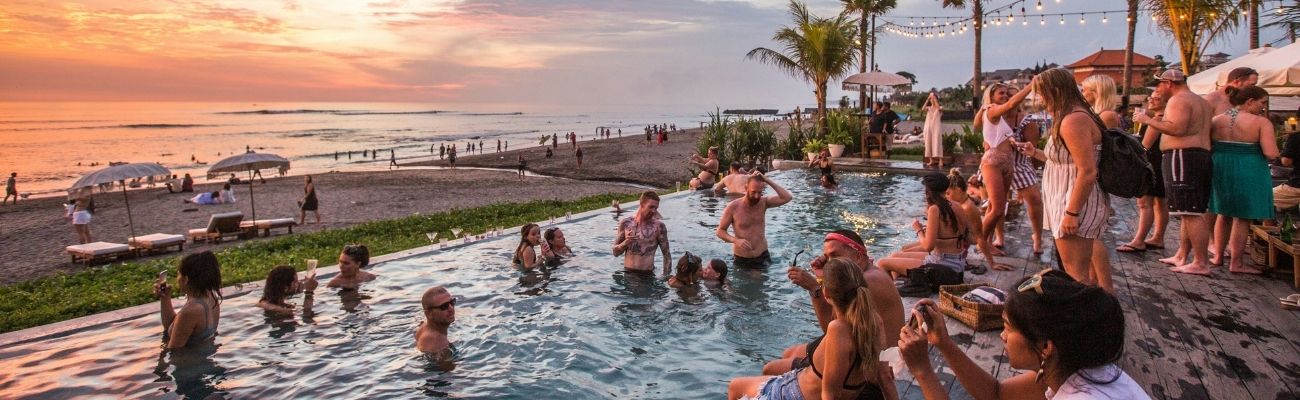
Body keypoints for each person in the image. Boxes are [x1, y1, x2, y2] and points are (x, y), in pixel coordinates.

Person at [898, 269, 1149, 400]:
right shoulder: (1076, 366)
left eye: (1008, 327)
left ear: (1046, 346)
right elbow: (997, 394)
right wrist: (943, 343)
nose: (1002, 337)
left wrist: (922, 370)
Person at [729, 257, 892, 400]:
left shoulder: (838, 329)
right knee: (771, 367)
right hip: (799, 381)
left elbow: (829, 394)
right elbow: (885, 376)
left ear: (826, 293)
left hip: (793, 393)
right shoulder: (874, 322)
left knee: (735, 387)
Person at [1014, 68, 1110, 290]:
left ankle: (1086, 319)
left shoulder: (1073, 121)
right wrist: (1035, 152)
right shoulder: (1071, 116)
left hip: (1075, 202)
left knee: (1076, 273)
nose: (1039, 100)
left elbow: (1087, 171)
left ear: (1055, 91)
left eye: (1042, 93)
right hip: (1066, 199)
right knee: (1075, 270)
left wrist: (1071, 213)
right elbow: (1065, 160)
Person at [770, 230, 905, 375]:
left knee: (772, 368)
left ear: (858, 257)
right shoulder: (869, 273)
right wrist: (824, 277)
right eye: (827, 258)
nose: (830, 263)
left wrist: (814, 288)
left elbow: (831, 327)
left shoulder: (866, 282)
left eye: (835, 256)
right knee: (789, 352)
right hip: (870, 352)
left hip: (875, 364)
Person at [1133, 69, 1215, 276]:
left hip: (1183, 156)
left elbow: (1177, 128)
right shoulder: (1201, 101)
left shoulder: (1178, 100)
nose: (1158, 90)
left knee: (1190, 211)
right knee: (1188, 210)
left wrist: (1147, 120)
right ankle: (1182, 255)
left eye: (1159, 85)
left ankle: (1200, 261)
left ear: (1169, 83)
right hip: (1199, 156)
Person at [1207, 86, 1278, 275]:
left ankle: (1217, 256)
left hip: (1220, 166)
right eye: (1262, 103)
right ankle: (1236, 262)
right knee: (1243, 216)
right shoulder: (1261, 122)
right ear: (1249, 101)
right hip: (1249, 167)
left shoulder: (1216, 120)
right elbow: (1271, 153)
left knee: (1223, 213)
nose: (1263, 107)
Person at [877, 173, 975, 279]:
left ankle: (892, 294)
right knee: (894, 256)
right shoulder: (957, 205)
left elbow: (928, 246)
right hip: (956, 264)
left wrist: (918, 229)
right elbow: (970, 238)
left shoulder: (935, 209)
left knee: (882, 263)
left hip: (944, 268)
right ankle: (904, 287)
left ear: (928, 191)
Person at [974, 83, 1034, 252]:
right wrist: (1030, 86)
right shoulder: (992, 110)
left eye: (1007, 93)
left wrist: (1016, 143)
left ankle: (988, 241)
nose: (1006, 96)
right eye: (1001, 93)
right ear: (992, 96)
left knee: (997, 208)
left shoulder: (999, 117)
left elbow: (1001, 136)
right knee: (997, 208)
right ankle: (982, 243)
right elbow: (1011, 104)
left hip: (1007, 162)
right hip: (993, 161)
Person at [1119, 91, 1170, 253]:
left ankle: (1139, 239)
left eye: (1157, 98)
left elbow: (1145, 146)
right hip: (1161, 162)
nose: (1151, 101)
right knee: (1160, 203)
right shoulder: (1162, 119)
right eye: (1150, 97)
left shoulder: (1157, 120)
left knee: (1144, 202)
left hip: (1150, 163)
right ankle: (1158, 237)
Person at [716, 171, 793, 268]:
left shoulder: (764, 202)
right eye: (753, 192)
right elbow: (720, 231)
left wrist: (766, 180)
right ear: (746, 188)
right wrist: (735, 240)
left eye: (760, 192)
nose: (757, 196)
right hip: (743, 258)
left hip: (763, 255)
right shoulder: (733, 207)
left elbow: (787, 197)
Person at [153, 251, 223, 349]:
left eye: (178, 275)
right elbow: (173, 327)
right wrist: (165, 297)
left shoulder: (191, 311)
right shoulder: (212, 298)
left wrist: (159, 360)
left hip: (191, 363)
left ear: (186, 279)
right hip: (205, 360)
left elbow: (174, 352)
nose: (177, 279)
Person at [613, 191, 672, 275]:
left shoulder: (659, 227)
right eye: (651, 207)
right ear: (642, 204)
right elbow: (615, 253)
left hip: (647, 276)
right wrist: (626, 242)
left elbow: (666, 255)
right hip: (628, 274)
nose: (654, 211)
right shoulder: (626, 223)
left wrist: (665, 276)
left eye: (656, 208)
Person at [416, 286, 456, 355]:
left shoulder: (424, 325)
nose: (451, 308)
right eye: (444, 306)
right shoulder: (439, 343)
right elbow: (447, 366)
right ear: (429, 314)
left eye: (452, 302)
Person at [922, 92, 945, 167]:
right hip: (928, 127)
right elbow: (922, 109)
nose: (932, 100)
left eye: (933, 99)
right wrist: (928, 98)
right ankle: (931, 160)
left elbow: (938, 108)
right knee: (928, 142)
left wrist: (934, 98)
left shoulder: (940, 108)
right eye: (931, 99)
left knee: (937, 141)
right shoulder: (928, 108)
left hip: (936, 127)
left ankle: (941, 160)